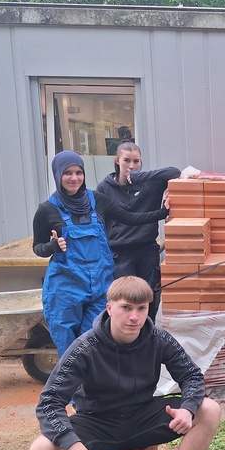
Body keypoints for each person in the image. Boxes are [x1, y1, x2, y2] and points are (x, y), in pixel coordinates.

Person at [29, 276, 223, 450]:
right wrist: (72, 444)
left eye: (142, 308)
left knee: (209, 409)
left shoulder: (157, 338)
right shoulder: (84, 348)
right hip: (98, 423)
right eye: (126, 308)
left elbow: (191, 375)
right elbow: (49, 401)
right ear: (109, 308)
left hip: (143, 415)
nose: (135, 317)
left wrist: (188, 409)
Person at [33, 150, 169, 357]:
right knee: (69, 347)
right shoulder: (47, 210)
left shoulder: (97, 200)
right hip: (66, 289)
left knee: (96, 341)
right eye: (67, 173)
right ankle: (73, 388)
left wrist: (164, 212)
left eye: (78, 172)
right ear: (58, 174)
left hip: (99, 285)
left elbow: (130, 218)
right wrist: (52, 247)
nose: (74, 178)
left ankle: (94, 387)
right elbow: (38, 247)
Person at [96, 131, 181, 321]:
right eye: (127, 161)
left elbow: (175, 172)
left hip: (146, 251)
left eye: (136, 162)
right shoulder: (104, 188)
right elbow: (100, 224)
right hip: (119, 253)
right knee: (125, 301)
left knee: (148, 299)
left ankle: (147, 339)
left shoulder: (150, 184)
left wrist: (143, 177)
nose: (132, 166)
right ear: (117, 160)